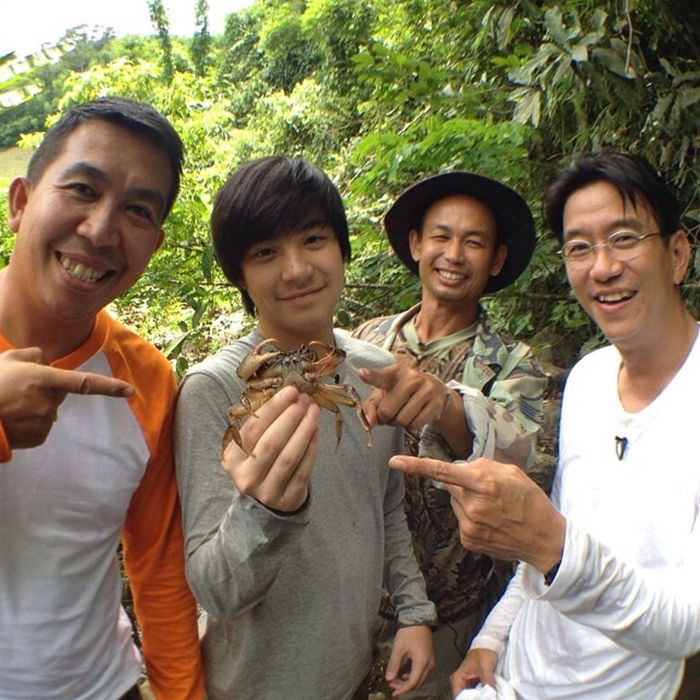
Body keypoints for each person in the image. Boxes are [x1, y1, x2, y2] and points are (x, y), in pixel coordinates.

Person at [390, 151, 700, 699]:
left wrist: (555, 548)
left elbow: (686, 629)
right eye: (579, 247)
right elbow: (552, 535)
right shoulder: (588, 378)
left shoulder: (523, 367)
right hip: (510, 679)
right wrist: (494, 637)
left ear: (677, 254)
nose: (602, 267)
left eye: (624, 238)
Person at [173, 156, 483, 699]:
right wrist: (266, 510)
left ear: (342, 250)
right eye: (265, 252)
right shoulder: (214, 389)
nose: (296, 270)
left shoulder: (374, 371)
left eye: (313, 240)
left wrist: (413, 611)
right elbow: (215, 592)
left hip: (351, 673)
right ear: (239, 275)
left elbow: (384, 505)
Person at [0, 97, 204, 699]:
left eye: (136, 210)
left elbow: (160, 569)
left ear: (154, 244)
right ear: (20, 202)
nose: (100, 230)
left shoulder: (146, 380)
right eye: (83, 190)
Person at [353, 172, 548, 698]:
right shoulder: (365, 342)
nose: (454, 254)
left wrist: (447, 406)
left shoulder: (515, 365)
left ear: (497, 259)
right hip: (351, 603)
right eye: (441, 236)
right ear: (417, 244)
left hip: (452, 622)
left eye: (474, 242)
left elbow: (521, 460)